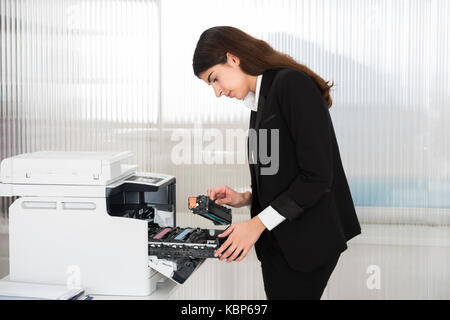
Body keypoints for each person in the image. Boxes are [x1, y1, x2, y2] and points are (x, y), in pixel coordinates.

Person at [192, 26, 361, 300]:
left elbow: (317, 177)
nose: (217, 92)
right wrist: (244, 198)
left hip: (305, 242)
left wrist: (256, 224)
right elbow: (279, 174)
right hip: (278, 242)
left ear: (232, 58)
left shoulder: (291, 85)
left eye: (215, 79)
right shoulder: (258, 102)